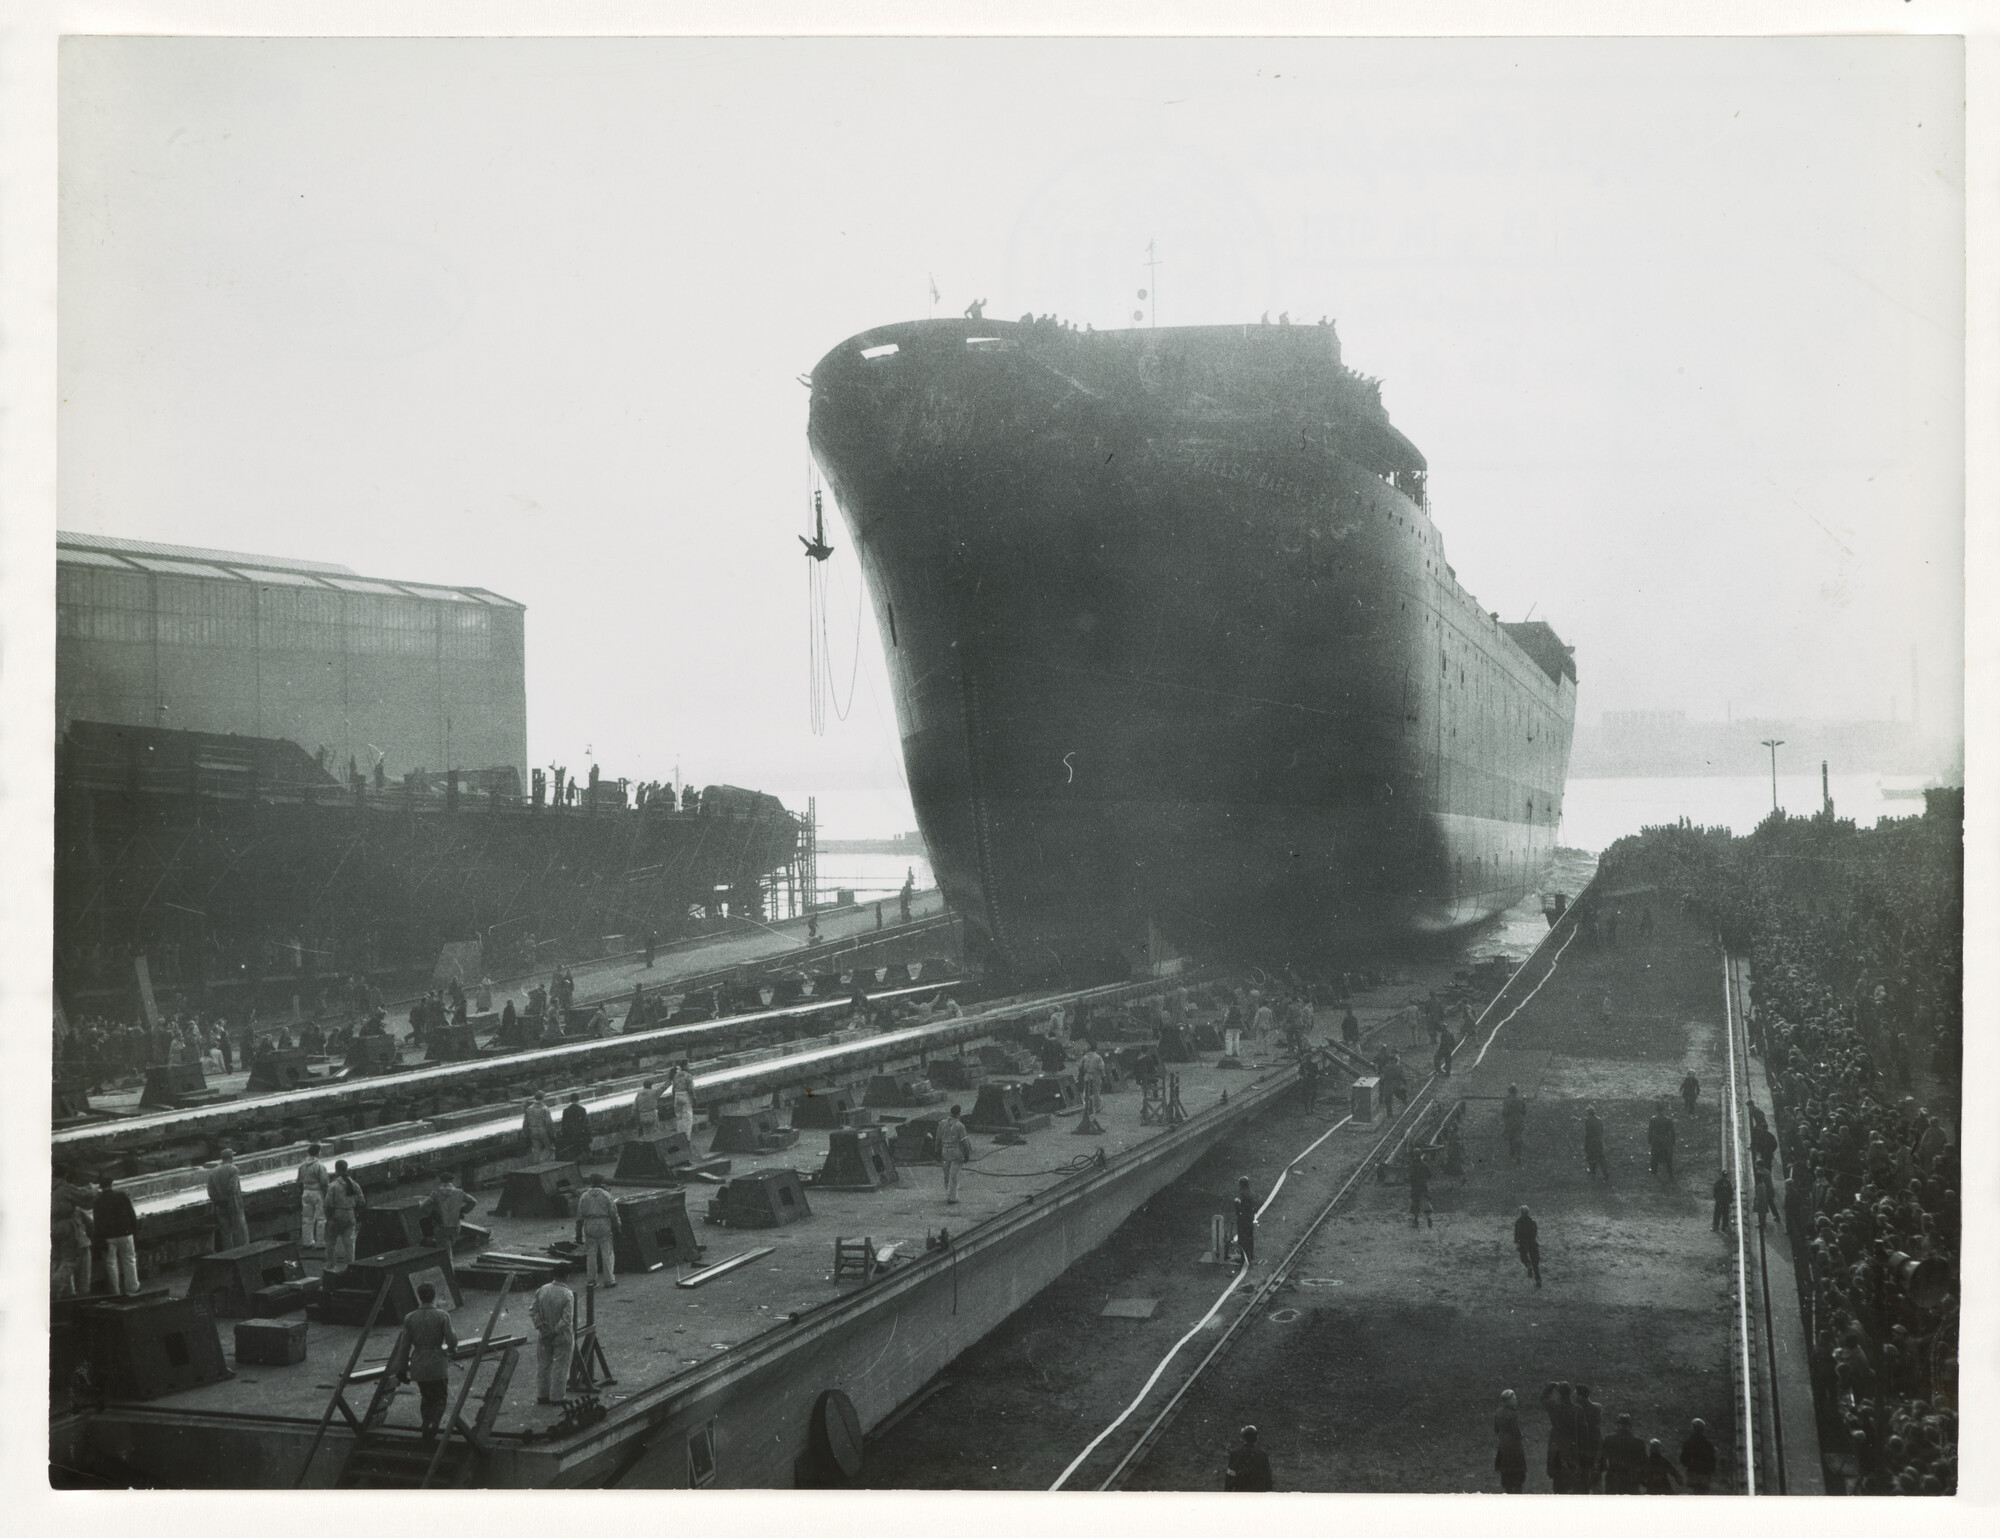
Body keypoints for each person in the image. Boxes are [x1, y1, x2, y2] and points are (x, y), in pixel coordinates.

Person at [395, 1282, 459, 1445]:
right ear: (433, 1296)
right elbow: (451, 1340)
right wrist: (452, 1348)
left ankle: (426, 1426)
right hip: (437, 1363)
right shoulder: (442, 1315)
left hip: (419, 1364)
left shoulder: (410, 1318)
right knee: (440, 1397)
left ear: (419, 1296)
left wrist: (402, 1369)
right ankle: (432, 1424)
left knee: (427, 1396)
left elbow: (404, 1346)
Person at [421, 1171, 480, 1277]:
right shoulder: (459, 1192)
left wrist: (431, 1213)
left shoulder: (435, 1194)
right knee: (449, 1250)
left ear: (440, 1181)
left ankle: (449, 1277)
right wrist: (463, 1210)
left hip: (441, 1228)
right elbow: (473, 1201)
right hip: (455, 1227)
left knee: (446, 1255)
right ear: (452, 1181)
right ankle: (449, 1274)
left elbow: (423, 1206)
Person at [530, 1274, 575, 1405]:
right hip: (561, 1336)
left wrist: (541, 1327)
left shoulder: (542, 1289)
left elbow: (533, 1310)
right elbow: (567, 1319)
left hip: (544, 1334)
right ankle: (557, 1397)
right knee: (560, 1365)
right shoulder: (567, 1294)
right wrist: (555, 1331)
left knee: (544, 1365)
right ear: (567, 1276)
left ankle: (542, 1395)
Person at [94, 1174, 141, 1295]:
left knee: (111, 1263)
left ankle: (115, 1291)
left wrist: (99, 1239)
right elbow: (131, 1213)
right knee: (129, 1259)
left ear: (100, 1187)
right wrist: (134, 1230)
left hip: (108, 1237)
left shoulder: (98, 1201)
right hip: (125, 1233)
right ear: (111, 1184)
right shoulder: (121, 1196)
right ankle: (133, 1287)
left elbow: (97, 1222)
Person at [574, 1174, 618, 1289]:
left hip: (589, 1224)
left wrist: (578, 1233)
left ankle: (591, 1280)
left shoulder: (584, 1196)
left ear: (591, 1182)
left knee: (591, 1254)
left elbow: (579, 1216)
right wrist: (617, 1227)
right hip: (604, 1223)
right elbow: (613, 1213)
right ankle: (609, 1280)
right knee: (607, 1253)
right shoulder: (606, 1195)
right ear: (602, 1182)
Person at [324, 1159, 365, 1276]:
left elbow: (328, 1204)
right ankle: (350, 1266)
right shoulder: (354, 1184)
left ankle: (330, 1266)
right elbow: (362, 1202)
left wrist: (329, 1217)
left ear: (336, 1170)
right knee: (349, 1242)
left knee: (331, 1241)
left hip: (336, 1215)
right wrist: (354, 1212)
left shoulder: (333, 1186)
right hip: (350, 1215)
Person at [207, 1147, 250, 1252]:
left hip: (220, 1206)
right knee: (240, 1232)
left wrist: (218, 1201)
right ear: (231, 1157)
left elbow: (210, 1191)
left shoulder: (213, 1172)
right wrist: (230, 1200)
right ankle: (243, 1253)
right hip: (233, 1205)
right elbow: (232, 1188)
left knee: (226, 1233)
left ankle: (229, 1254)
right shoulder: (233, 1169)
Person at [1540, 1381, 1579, 1492]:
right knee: (1571, 1475)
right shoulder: (1576, 1409)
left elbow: (1542, 1399)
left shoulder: (1554, 1407)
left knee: (1557, 1479)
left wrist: (1550, 1386)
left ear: (1559, 1394)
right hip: (1571, 1442)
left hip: (1556, 1441)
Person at [1600, 1412, 1647, 1493]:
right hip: (1631, 1477)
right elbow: (1644, 1462)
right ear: (1630, 1426)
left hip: (1614, 1476)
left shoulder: (1609, 1439)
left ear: (1618, 1425)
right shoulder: (1638, 1441)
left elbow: (1602, 1457)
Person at [1493, 1389, 1528, 1493]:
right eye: (1514, 1398)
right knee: (1517, 1473)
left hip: (1503, 1445)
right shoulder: (1513, 1414)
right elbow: (1516, 1431)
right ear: (1508, 1400)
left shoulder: (1498, 1412)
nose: (1516, 1400)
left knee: (1506, 1472)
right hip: (1514, 1446)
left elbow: (1496, 1429)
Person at [298, 1141, 330, 1249]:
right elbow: (324, 1182)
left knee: (307, 1218)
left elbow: (298, 1180)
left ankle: (307, 1242)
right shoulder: (320, 1166)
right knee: (321, 1218)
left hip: (306, 1192)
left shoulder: (302, 1166)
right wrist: (327, 1194)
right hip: (317, 1192)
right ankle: (321, 1242)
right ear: (318, 1153)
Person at [1573, 1384, 1604, 1492]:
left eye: (1576, 1394)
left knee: (1584, 1483)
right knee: (1596, 1483)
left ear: (1581, 1396)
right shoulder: (1597, 1407)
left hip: (1585, 1450)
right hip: (1595, 1448)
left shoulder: (1579, 1410)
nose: (1575, 1397)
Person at [1223, 1425, 1272, 1491]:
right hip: (1258, 1494)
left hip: (1241, 1493)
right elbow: (1267, 1477)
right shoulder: (1262, 1455)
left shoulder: (1235, 1454)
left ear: (1243, 1438)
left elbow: (1230, 1476)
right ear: (1256, 1438)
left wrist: (1227, 1492)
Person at [938, 1103, 970, 1203]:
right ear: (958, 1114)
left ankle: (948, 1193)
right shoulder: (960, 1126)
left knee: (947, 1174)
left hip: (945, 1151)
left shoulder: (942, 1123)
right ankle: (952, 1197)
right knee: (954, 1175)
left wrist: (936, 1150)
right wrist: (967, 1154)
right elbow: (965, 1142)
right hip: (956, 1152)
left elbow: (937, 1138)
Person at [1679, 1418, 1718, 1493]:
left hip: (1693, 1472)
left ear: (1693, 1428)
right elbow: (1712, 1460)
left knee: (1694, 1492)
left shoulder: (1688, 1443)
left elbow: (1683, 1459)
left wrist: (1690, 1464)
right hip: (1705, 1473)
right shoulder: (1708, 1444)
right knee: (1703, 1493)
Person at [1647, 1103, 1677, 1178]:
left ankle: (1654, 1171)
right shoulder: (1668, 1120)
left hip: (1656, 1139)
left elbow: (1650, 1131)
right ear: (1663, 1110)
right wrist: (1673, 1141)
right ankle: (1669, 1171)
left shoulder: (1653, 1119)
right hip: (1665, 1139)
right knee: (1668, 1156)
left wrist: (1650, 1140)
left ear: (1656, 1111)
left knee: (1654, 1155)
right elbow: (1672, 1132)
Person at [1232, 1176, 1258, 1266]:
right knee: (1249, 1238)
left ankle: (1244, 1259)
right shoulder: (1251, 1194)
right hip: (1250, 1219)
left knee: (1242, 1239)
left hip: (1243, 1220)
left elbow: (1239, 1208)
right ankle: (1250, 1257)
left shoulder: (1242, 1195)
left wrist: (1236, 1203)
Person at [1514, 1205, 1541, 1287]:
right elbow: (1535, 1232)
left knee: (1523, 1258)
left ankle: (1528, 1265)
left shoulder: (1518, 1222)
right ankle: (1538, 1279)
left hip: (1523, 1242)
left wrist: (1517, 1243)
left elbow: (1516, 1234)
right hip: (1532, 1242)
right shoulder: (1532, 1221)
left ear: (1521, 1213)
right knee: (1535, 1263)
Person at [524, 1092, 556, 1161]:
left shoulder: (528, 1109)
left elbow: (525, 1124)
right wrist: (553, 1135)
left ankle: (536, 1164)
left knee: (536, 1149)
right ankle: (542, 1161)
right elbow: (549, 1123)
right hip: (542, 1131)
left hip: (533, 1131)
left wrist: (526, 1134)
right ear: (543, 1098)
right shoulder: (545, 1108)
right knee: (550, 1148)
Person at [1407, 1150, 1435, 1229]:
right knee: (1426, 1203)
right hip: (1423, 1186)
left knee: (1415, 1204)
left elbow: (1410, 1176)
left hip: (1415, 1187)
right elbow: (1429, 1175)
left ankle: (1416, 1221)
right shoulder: (1424, 1164)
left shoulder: (1412, 1165)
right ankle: (1429, 1218)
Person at [1078, 1042, 1106, 1119]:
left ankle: (1086, 1106)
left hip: (1087, 1075)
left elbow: (1080, 1067)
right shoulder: (1098, 1057)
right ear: (1096, 1049)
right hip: (1096, 1075)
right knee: (1096, 1091)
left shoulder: (1085, 1057)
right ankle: (1097, 1107)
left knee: (1086, 1091)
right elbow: (1101, 1068)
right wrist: (1103, 1076)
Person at [1502, 1085, 1527, 1164]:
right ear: (1516, 1091)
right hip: (1519, 1121)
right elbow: (1524, 1112)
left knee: (1510, 1137)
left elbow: (1505, 1112)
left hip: (1510, 1122)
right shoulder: (1521, 1100)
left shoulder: (1506, 1100)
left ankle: (1512, 1152)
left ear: (1509, 1091)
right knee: (1518, 1137)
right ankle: (1519, 1155)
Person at [1753, 1163, 1783, 1230]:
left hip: (1767, 1191)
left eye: (1757, 1165)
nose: (1756, 1167)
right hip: (1769, 1190)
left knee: (1763, 1207)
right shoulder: (1766, 1171)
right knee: (1771, 1204)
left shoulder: (1762, 1173)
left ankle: (1763, 1223)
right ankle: (1776, 1216)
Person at [672, 1064, 696, 1141]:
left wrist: (675, 1097)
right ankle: (687, 1138)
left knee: (679, 1117)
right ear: (685, 1066)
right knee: (688, 1118)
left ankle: (679, 1137)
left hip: (677, 1095)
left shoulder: (676, 1075)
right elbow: (691, 1088)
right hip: (685, 1095)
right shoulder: (688, 1075)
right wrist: (694, 1098)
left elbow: (673, 1088)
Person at [1582, 1105, 1607, 1179]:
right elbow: (1602, 1130)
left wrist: (1586, 1144)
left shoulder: (1588, 1120)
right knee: (1600, 1157)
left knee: (1591, 1157)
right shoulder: (1599, 1120)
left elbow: (1587, 1133)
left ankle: (1593, 1173)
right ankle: (1605, 1171)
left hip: (1591, 1142)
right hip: (1598, 1141)